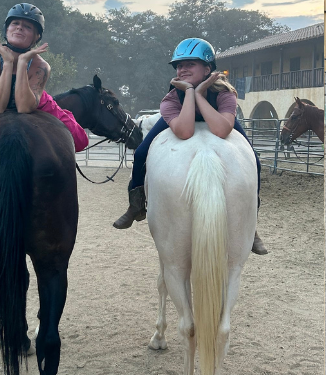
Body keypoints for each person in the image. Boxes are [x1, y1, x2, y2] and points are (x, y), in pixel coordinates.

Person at [114, 38, 267, 255]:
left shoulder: (224, 93)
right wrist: (188, 93)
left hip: (216, 119)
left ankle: (252, 223)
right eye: (179, 65)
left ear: (207, 69)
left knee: (254, 159)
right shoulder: (171, 99)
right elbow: (185, 131)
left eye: (190, 64)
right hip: (182, 117)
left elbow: (221, 130)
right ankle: (136, 205)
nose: (183, 69)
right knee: (140, 154)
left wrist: (198, 96)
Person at [0, 3, 88, 151]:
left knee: (80, 139)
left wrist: (23, 62)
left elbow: (24, 107)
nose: (19, 27)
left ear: (36, 37)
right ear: (7, 29)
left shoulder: (41, 66)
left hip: (33, 101)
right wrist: (8, 63)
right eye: (15, 23)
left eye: (27, 27)